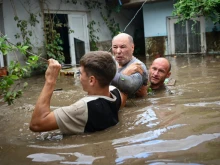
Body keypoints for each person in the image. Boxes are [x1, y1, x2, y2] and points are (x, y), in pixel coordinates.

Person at [29, 51, 127, 135]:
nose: (79, 77)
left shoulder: (82, 107)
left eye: (80, 73)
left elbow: (36, 124)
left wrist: (50, 80)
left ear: (92, 80)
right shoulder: (115, 92)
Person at [111, 33, 148, 97]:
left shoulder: (138, 66)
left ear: (132, 47)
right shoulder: (110, 61)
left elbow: (130, 86)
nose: (118, 51)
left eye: (123, 47)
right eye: (115, 47)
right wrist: (124, 73)